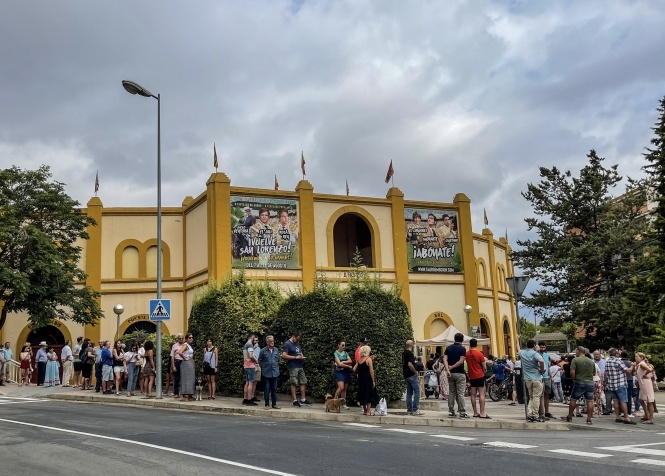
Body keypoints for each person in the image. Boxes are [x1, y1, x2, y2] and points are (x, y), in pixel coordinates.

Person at [562, 347, 595, 424]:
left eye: (576, 351)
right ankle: (589, 418)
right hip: (590, 382)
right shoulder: (591, 361)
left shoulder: (575, 360)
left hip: (579, 382)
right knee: (590, 401)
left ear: (579, 351)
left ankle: (570, 416)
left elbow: (572, 372)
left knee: (573, 399)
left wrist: (574, 379)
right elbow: (594, 373)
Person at [603, 348, 636, 425]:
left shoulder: (607, 361)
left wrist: (605, 381)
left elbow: (606, 373)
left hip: (611, 384)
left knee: (615, 401)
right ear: (616, 354)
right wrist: (632, 366)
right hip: (620, 384)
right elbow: (628, 370)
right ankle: (626, 417)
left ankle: (617, 417)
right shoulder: (618, 361)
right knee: (623, 401)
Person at [282, 332, 312, 407]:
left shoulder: (297, 343)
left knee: (303, 381)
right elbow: (284, 355)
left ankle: (303, 399)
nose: (297, 340)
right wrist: (295, 357)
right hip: (292, 366)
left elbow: (299, 351)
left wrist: (302, 356)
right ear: (293, 337)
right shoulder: (287, 344)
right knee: (294, 382)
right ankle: (295, 400)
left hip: (299, 365)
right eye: (297, 339)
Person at [518, 339, 545, 423]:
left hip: (527, 378)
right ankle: (535, 415)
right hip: (536, 377)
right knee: (536, 397)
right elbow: (541, 360)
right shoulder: (535, 354)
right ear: (534, 346)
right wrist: (542, 369)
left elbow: (518, 349)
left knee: (531, 397)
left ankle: (529, 414)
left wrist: (517, 340)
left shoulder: (522, 353)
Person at [444, 332, 468, 418]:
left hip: (450, 374)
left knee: (451, 392)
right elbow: (461, 361)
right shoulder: (462, 349)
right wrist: (453, 367)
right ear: (462, 340)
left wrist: (448, 369)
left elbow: (445, 359)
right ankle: (462, 411)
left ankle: (451, 411)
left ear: (454, 339)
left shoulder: (448, 348)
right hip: (460, 373)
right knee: (460, 393)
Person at [466, 338, 490, 419]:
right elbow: (484, 366)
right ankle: (482, 412)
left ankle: (475, 412)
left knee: (473, 394)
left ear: (470, 344)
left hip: (472, 376)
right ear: (476, 344)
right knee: (482, 394)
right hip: (479, 375)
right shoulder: (479, 354)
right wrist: (484, 372)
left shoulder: (467, 354)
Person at [259, 335, 281, 409]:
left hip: (275, 372)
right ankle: (267, 404)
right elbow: (260, 361)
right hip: (266, 373)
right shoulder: (263, 351)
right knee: (267, 389)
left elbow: (278, 360)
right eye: (270, 341)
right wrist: (264, 367)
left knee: (274, 389)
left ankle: (274, 404)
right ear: (267, 342)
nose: (272, 342)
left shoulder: (276, 350)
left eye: (273, 341)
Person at [402, 339, 422, 416]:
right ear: (411, 345)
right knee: (417, 392)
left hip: (406, 374)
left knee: (409, 393)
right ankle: (415, 409)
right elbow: (410, 364)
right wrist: (415, 372)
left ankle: (409, 409)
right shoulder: (410, 353)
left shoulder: (404, 353)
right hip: (411, 375)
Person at [635, 352, 656, 424]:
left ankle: (651, 418)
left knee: (649, 401)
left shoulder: (642, 364)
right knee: (641, 399)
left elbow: (650, 369)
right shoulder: (639, 364)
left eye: (637, 356)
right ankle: (647, 415)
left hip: (645, 383)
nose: (636, 358)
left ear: (641, 357)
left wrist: (645, 374)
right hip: (642, 384)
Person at [355, 345, 376, 416]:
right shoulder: (368, 359)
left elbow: (357, 369)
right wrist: (373, 380)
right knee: (369, 393)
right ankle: (368, 411)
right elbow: (371, 371)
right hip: (367, 379)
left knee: (362, 394)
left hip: (361, 379)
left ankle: (364, 410)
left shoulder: (359, 360)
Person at [333, 340, 352, 409]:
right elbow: (339, 364)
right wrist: (348, 366)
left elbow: (350, 361)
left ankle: (344, 404)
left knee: (345, 389)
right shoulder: (336, 353)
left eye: (344, 345)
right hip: (339, 371)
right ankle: (334, 402)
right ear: (338, 345)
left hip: (345, 372)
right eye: (342, 345)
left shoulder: (346, 353)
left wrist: (343, 361)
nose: (344, 347)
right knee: (341, 387)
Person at [177, 333, 196, 401]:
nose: (191, 339)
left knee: (191, 379)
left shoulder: (189, 346)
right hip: (186, 364)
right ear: (186, 338)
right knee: (185, 379)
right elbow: (180, 352)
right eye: (189, 338)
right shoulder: (185, 345)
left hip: (190, 363)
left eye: (192, 337)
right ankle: (183, 395)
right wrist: (185, 358)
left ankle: (190, 395)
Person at [538, 343, 554, 419]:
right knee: (539, 395)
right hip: (539, 377)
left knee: (546, 395)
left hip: (546, 377)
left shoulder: (547, 355)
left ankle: (547, 411)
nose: (542, 348)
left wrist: (551, 376)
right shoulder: (536, 355)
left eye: (543, 347)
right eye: (541, 347)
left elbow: (548, 366)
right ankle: (541, 412)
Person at [243, 333, 259, 405]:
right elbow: (250, 355)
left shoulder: (245, 345)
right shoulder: (249, 345)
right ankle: (249, 400)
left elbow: (245, 356)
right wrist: (256, 361)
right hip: (250, 365)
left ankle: (245, 398)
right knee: (251, 383)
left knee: (247, 382)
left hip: (246, 365)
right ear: (252, 337)